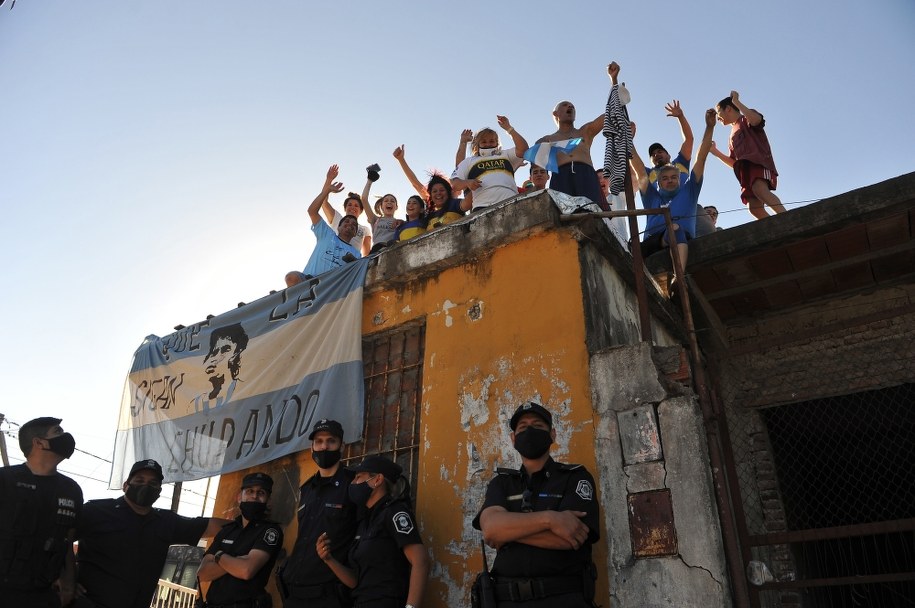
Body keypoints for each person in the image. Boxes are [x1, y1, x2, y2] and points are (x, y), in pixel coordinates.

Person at [473, 403, 600, 607]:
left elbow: (572, 538)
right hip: (507, 600)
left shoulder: (576, 477)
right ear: (513, 439)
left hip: (563, 599)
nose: (529, 430)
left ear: (553, 435)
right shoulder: (501, 483)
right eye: (522, 427)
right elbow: (490, 530)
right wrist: (551, 519)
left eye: (538, 426)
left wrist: (508, 533)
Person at [76, 459, 229, 608]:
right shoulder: (96, 511)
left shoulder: (166, 521)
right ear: (125, 485)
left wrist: (248, 525)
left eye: (153, 483)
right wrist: (64, 577)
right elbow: (58, 536)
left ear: (159, 491)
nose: (146, 486)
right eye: (139, 480)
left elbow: (211, 526)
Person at [317, 455, 430, 608]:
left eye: (358, 477)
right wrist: (328, 559)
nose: (353, 483)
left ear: (377, 480)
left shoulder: (394, 512)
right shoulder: (364, 522)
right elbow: (354, 581)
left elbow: (420, 561)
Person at [629, 108, 716, 288]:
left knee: (676, 229)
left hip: (679, 232)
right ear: (658, 181)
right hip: (653, 239)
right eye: (665, 178)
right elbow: (637, 167)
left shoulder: (687, 183)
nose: (669, 180)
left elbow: (700, 157)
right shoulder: (651, 189)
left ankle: (679, 279)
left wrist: (709, 127)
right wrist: (627, 140)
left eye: (674, 177)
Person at [0, 417, 81, 608]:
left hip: (42, 595)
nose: (65, 437)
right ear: (38, 442)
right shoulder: (5, 481)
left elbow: (68, 542)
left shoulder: (71, 489)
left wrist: (69, 583)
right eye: (57, 432)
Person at [279, 420, 358, 608]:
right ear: (311, 448)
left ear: (342, 447)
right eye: (319, 441)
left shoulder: (353, 484)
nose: (324, 446)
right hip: (294, 592)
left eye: (331, 441)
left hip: (328, 594)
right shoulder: (306, 489)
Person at [536, 65, 617, 210]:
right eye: (566, 105)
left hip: (585, 174)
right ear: (556, 114)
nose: (570, 107)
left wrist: (614, 80)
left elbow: (610, 112)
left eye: (572, 106)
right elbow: (534, 158)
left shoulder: (585, 131)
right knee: (562, 218)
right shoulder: (547, 139)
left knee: (592, 215)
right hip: (560, 177)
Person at [198, 472, 284, 608]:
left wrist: (219, 556)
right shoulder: (226, 530)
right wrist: (239, 560)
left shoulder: (270, 531)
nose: (255, 496)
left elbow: (246, 571)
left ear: (268, 500)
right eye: (250, 491)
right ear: (239, 497)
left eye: (261, 493)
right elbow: (203, 573)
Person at [713, 91, 786, 219]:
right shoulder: (731, 136)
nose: (718, 119)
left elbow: (756, 120)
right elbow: (734, 162)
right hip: (746, 172)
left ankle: (786, 218)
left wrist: (736, 102)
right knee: (753, 208)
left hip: (759, 163)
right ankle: (776, 227)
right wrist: (716, 152)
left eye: (719, 113)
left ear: (728, 108)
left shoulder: (745, 118)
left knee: (760, 189)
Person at [286, 165, 362, 288]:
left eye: (354, 225)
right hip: (308, 284)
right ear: (338, 227)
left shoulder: (356, 254)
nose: (350, 224)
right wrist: (327, 189)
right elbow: (312, 211)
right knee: (292, 277)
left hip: (331, 290)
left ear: (356, 233)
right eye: (346, 222)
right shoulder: (326, 233)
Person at [451, 116, 529, 211]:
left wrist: (509, 128)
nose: (488, 144)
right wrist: (468, 183)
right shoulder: (470, 161)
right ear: (477, 145)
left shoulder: (505, 154)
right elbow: (455, 183)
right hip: (482, 207)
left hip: (512, 202)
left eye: (492, 141)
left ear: (497, 143)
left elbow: (524, 149)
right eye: (484, 142)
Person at [193, 322, 249, 413]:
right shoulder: (198, 402)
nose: (216, 358)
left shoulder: (245, 389)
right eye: (214, 352)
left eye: (225, 350)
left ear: (236, 353)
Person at [644, 100, 694, 186]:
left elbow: (689, 139)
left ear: (669, 155)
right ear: (651, 161)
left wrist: (681, 117)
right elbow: (629, 161)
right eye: (653, 154)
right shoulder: (647, 174)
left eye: (660, 151)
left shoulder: (680, 162)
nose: (656, 155)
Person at [360, 165, 402, 253]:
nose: (389, 202)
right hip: (376, 252)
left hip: (392, 251)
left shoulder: (399, 222)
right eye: (386, 201)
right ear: (381, 206)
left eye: (392, 201)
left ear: (396, 207)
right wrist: (369, 181)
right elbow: (364, 199)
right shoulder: (375, 220)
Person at [321, 190, 372, 256]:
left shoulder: (365, 229)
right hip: (331, 256)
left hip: (351, 263)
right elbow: (324, 203)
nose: (352, 207)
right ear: (345, 208)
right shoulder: (337, 218)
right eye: (349, 205)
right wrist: (328, 186)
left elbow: (366, 254)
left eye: (356, 206)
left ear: (361, 210)